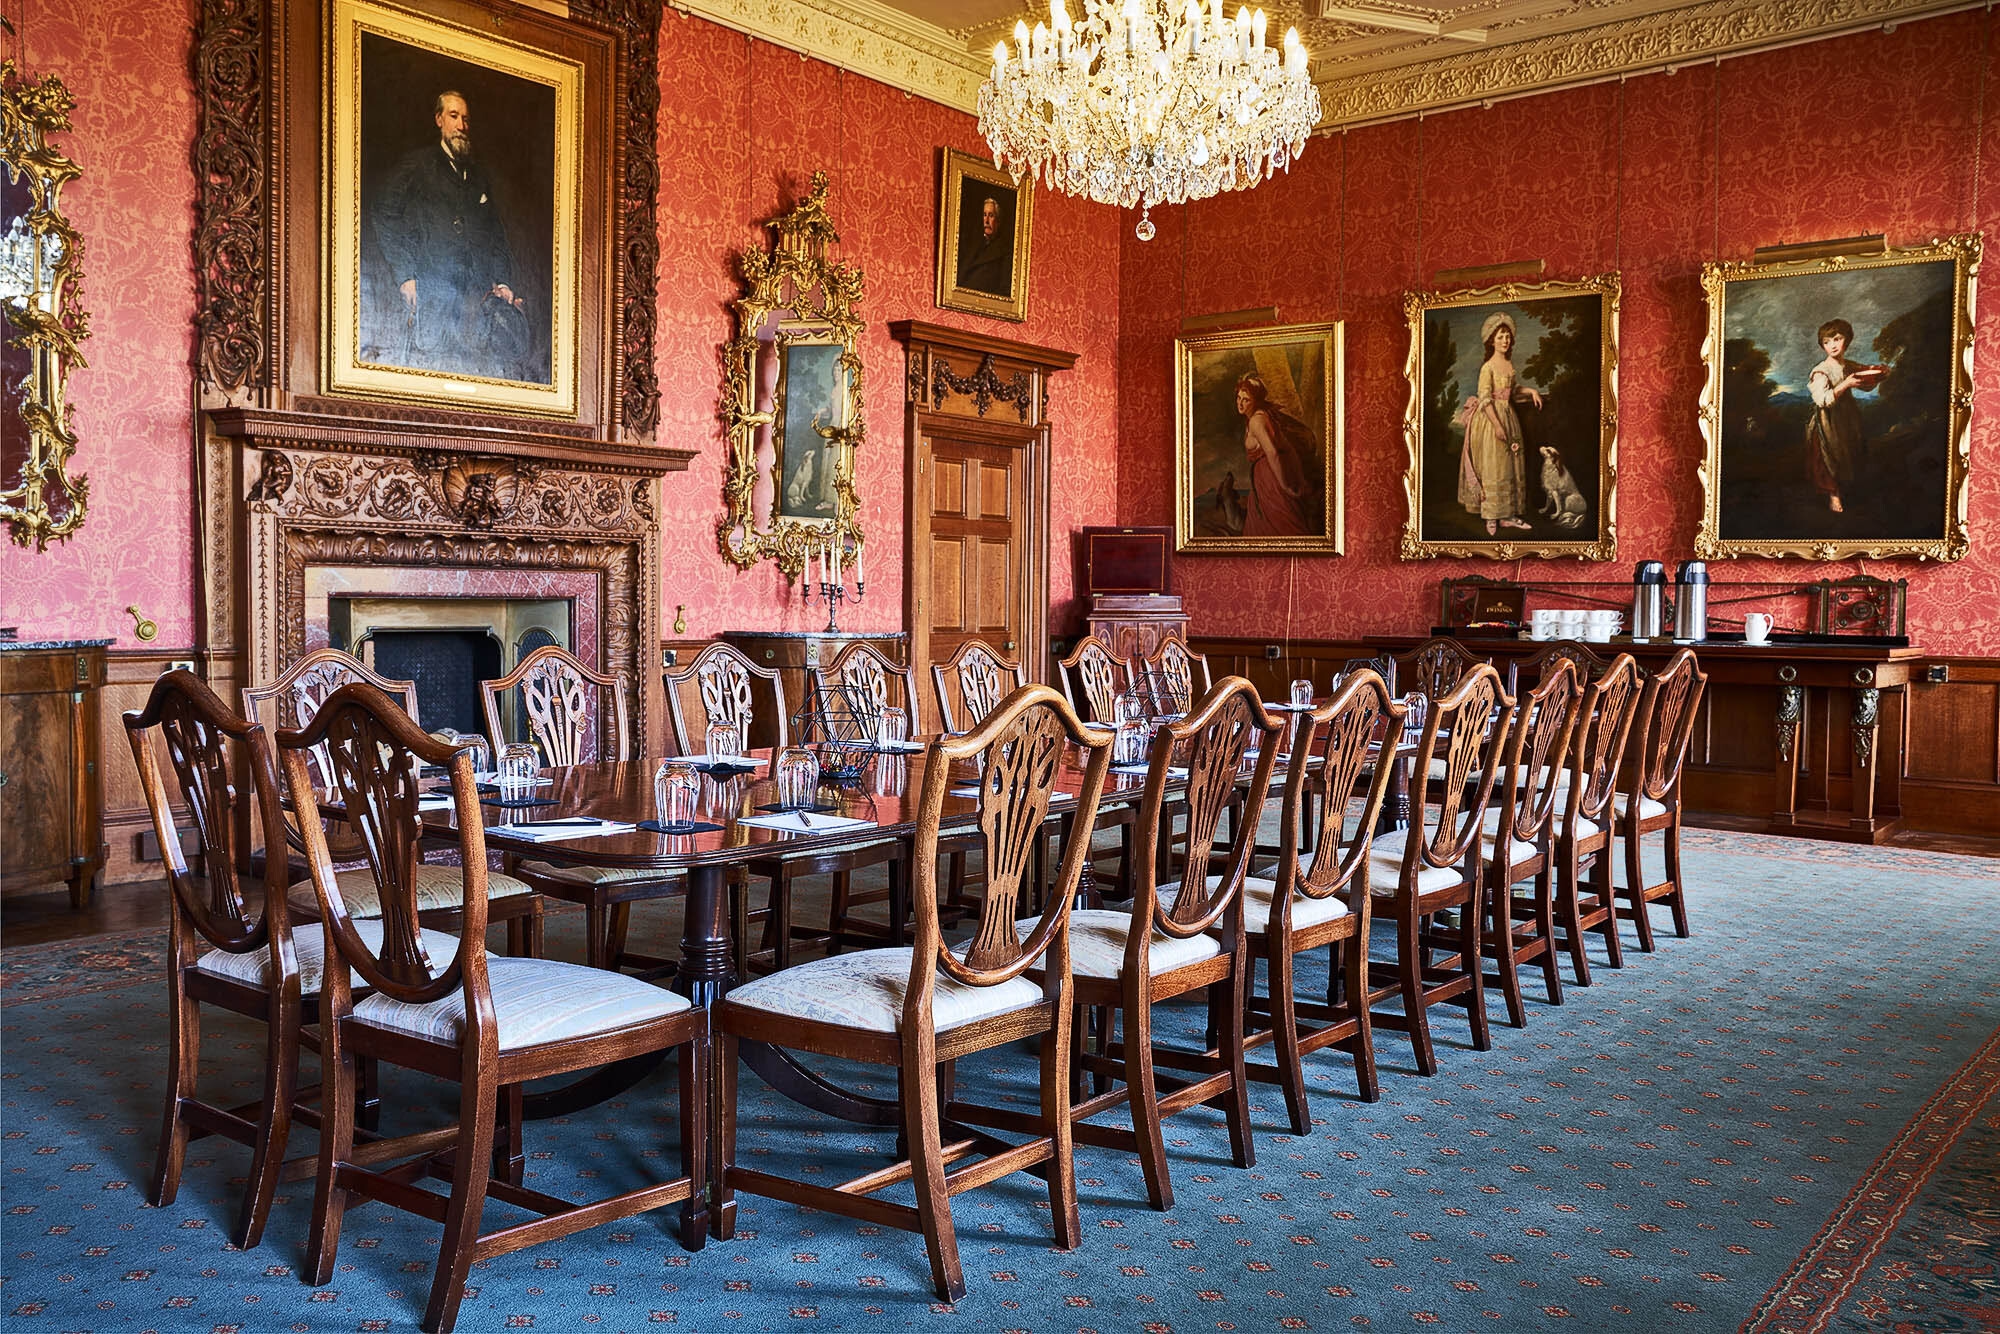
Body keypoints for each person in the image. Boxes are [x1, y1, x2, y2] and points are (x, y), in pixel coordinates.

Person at [370, 91, 528, 379]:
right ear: (439, 119)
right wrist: (405, 274)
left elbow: (495, 234)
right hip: (432, 302)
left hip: (475, 312)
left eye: (465, 119)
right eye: (454, 116)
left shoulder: (478, 176)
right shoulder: (417, 166)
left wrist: (503, 281)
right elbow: (383, 212)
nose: (461, 126)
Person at [1456, 311, 1542, 535]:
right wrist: (1496, 425)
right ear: (1491, 340)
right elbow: (1485, 398)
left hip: (1508, 416)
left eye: (1507, 337)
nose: (1505, 341)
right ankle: (1491, 516)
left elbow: (1512, 391)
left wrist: (1530, 390)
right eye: (1500, 336)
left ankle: (1507, 516)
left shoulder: (1508, 364)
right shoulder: (1488, 367)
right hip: (1490, 419)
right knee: (1494, 465)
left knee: (1508, 466)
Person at [1805, 318, 1885, 515]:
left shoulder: (1848, 365)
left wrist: (1879, 372)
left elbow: (1865, 381)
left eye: (1837, 339)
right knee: (1827, 456)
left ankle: (1850, 488)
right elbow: (1822, 400)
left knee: (1849, 451)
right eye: (1827, 342)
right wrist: (1845, 385)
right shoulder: (1821, 372)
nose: (1832, 345)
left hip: (1847, 417)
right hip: (1827, 420)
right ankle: (1833, 495)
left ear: (1846, 341)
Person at [1235, 375, 1317, 537]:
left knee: (1280, 524)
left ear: (1256, 401)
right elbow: (1288, 448)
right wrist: (1297, 478)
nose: (1240, 403)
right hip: (1266, 479)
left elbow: (1273, 452)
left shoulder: (1256, 422)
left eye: (1246, 400)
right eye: (1238, 398)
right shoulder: (1263, 416)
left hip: (1270, 481)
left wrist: (1285, 485)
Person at [956, 194, 1013, 297]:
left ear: (998, 221)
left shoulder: (1005, 251)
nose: (986, 221)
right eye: (984, 215)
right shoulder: (972, 244)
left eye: (991, 216)